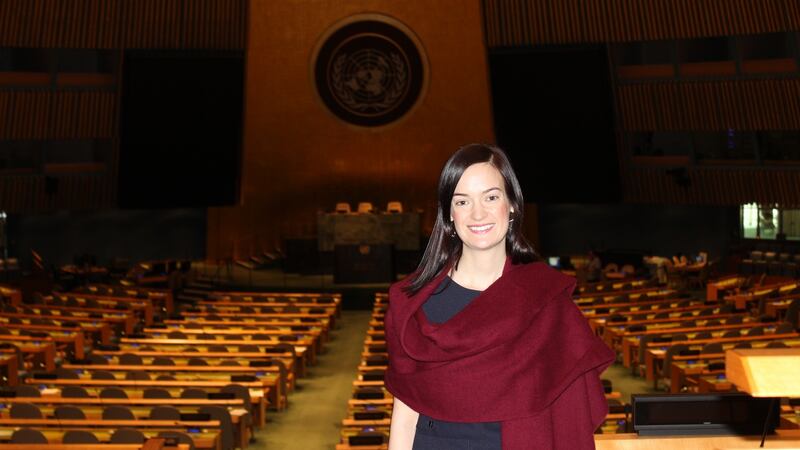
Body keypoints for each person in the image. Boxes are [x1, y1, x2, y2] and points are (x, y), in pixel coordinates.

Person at [384, 144, 615, 450]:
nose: (478, 213)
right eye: (462, 201)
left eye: (491, 197)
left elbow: (567, 412)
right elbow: (405, 412)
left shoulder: (546, 301)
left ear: (513, 205)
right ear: (449, 214)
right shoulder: (412, 304)